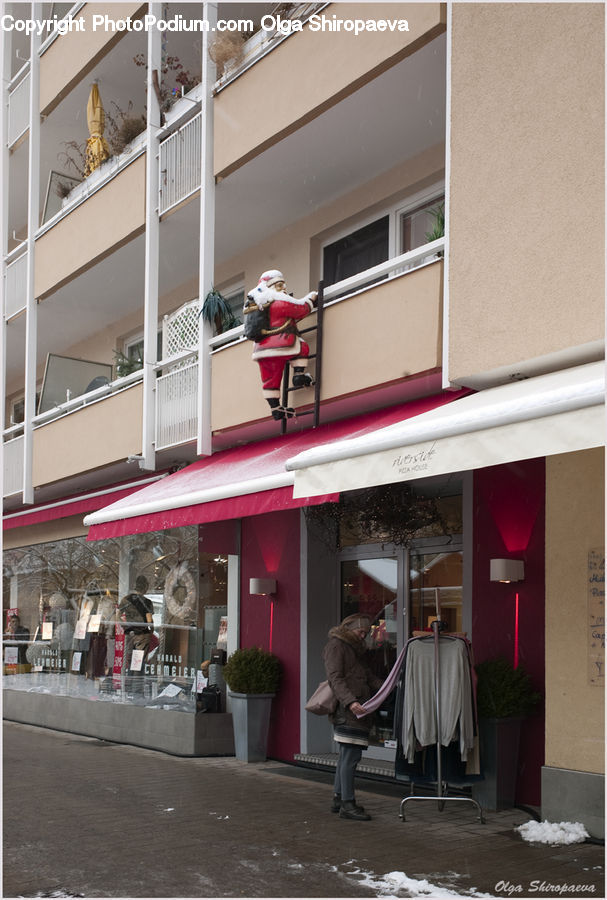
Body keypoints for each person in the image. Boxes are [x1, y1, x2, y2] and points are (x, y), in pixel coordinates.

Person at [323, 613, 383, 821]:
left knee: (346, 758)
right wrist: (351, 702)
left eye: (365, 633)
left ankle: (339, 799)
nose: (363, 635)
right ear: (349, 629)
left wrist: (389, 686)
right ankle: (348, 804)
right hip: (349, 711)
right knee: (350, 758)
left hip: (355, 710)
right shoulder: (337, 646)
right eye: (360, 631)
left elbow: (367, 676)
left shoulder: (352, 649)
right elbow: (335, 678)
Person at [245, 270, 317, 420]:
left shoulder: (258, 307)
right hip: (281, 343)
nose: (283, 288)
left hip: (261, 351)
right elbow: (300, 309)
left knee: (270, 379)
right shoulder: (278, 302)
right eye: (280, 285)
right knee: (302, 347)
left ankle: (276, 408)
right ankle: (298, 375)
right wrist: (311, 299)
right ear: (271, 287)